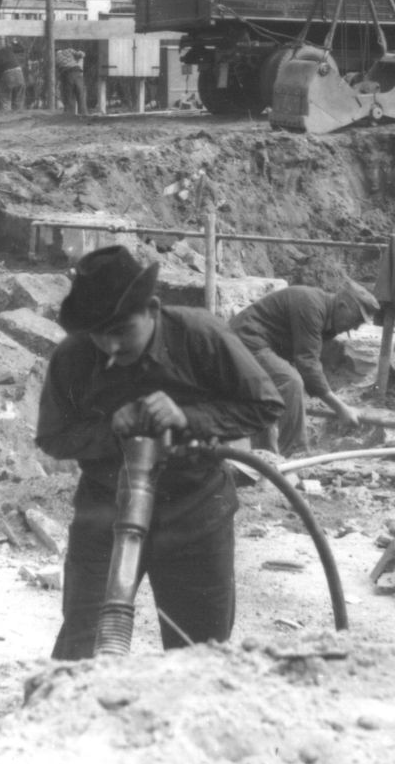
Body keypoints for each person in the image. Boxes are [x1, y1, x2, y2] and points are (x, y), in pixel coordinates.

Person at [35, 246, 283, 660]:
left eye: (121, 330)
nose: (111, 345)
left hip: (194, 511)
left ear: (151, 308)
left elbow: (266, 405)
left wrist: (189, 417)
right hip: (105, 511)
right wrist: (110, 429)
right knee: (85, 649)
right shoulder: (74, 356)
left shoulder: (199, 335)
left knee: (198, 653)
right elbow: (52, 437)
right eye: (99, 333)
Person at [229, 281, 380, 454]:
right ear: (342, 306)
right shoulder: (312, 306)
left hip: (255, 342)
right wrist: (340, 408)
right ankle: (296, 452)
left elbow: (307, 360)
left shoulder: (328, 319)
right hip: (245, 339)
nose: (356, 327)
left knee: (269, 393)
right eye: (357, 319)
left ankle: (264, 456)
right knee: (290, 381)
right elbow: (307, 363)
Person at [0, 42, 26, 110]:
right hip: (19, 73)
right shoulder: (7, 50)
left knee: (5, 100)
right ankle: (19, 115)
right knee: (18, 100)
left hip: (7, 75)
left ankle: (6, 115)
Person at [56, 45, 88, 115]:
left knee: (70, 95)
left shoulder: (56, 58)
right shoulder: (69, 50)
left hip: (67, 74)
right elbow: (80, 54)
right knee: (81, 94)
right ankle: (84, 114)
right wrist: (81, 54)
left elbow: (60, 72)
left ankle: (70, 115)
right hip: (77, 72)